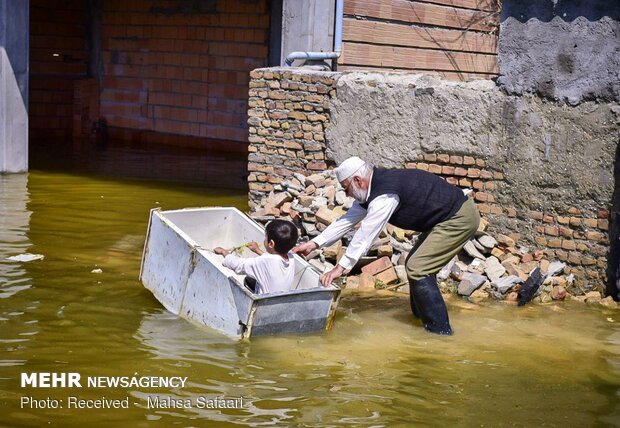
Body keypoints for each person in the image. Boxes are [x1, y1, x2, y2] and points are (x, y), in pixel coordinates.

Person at [292, 156, 480, 335]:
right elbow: (347, 220)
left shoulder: (385, 194)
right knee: (415, 265)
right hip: (445, 218)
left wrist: (341, 267)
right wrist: (313, 244)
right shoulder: (371, 190)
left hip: (458, 218)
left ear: (358, 180)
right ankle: (421, 317)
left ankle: (439, 332)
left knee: (418, 268)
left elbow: (367, 233)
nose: (346, 194)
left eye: (346, 188)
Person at [214, 219, 299, 294]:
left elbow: (238, 265)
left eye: (266, 238)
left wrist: (223, 252)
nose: (264, 239)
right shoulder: (291, 258)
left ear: (271, 243)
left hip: (264, 303)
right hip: (278, 300)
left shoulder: (265, 261)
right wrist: (257, 250)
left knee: (248, 279)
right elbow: (272, 261)